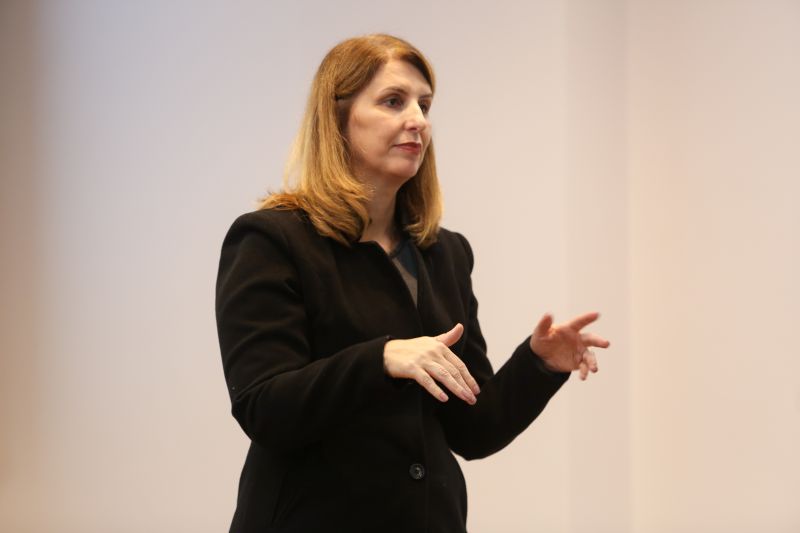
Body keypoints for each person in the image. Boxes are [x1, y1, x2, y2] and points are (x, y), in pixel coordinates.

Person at [215, 33, 609, 533]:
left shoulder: (445, 253)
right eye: (393, 101)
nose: (418, 120)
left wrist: (538, 364)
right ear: (337, 118)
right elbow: (264, 407)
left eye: (424, 104)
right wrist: (381, 359)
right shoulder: (272, 240)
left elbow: (473, 430)